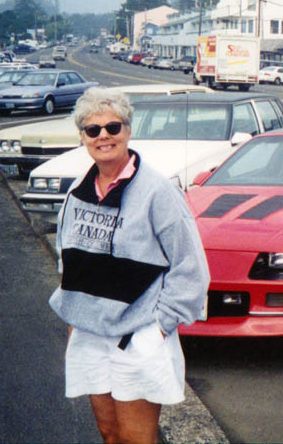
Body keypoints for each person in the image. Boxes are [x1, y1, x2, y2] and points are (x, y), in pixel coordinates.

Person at [50, 88, 210, 444]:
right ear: (83, 137)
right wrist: (76, 315)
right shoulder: (79, 190)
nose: (103, 135)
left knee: (137, 438)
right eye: (93, 130)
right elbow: (70, 257)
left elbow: (191, 268)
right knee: (109, 433)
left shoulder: (157, 191)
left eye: (112, 126)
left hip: (138, 334)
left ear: (128, 130)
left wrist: (160, 329)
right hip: (90, 333)